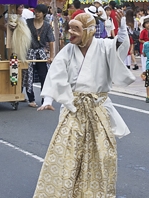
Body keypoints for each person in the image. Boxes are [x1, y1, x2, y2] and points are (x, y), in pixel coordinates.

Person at [33, 11, 134, 197]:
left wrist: (121, 28)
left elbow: (120, 47)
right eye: (69, 28)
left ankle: (93, 191)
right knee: (67, 151)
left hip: (97, 107)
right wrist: (48, 99)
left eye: (76, 29)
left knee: (102, 153)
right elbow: (56, 73)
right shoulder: (68, 50)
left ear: (89, 31)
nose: (70, 32)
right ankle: (64, 191)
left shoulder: (103, 46)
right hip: (73, 108)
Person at [23, 4, 55, 108]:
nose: (36, 13)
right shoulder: (28, 23)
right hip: (30, 52)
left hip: (41, 53)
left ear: (44, 14)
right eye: (35, 11)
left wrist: (51, 56)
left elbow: (51, 41)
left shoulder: (47, 25)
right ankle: (31, 99)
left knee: (43, 76)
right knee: (29, 76)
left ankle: (44, 99)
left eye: (39, 12)